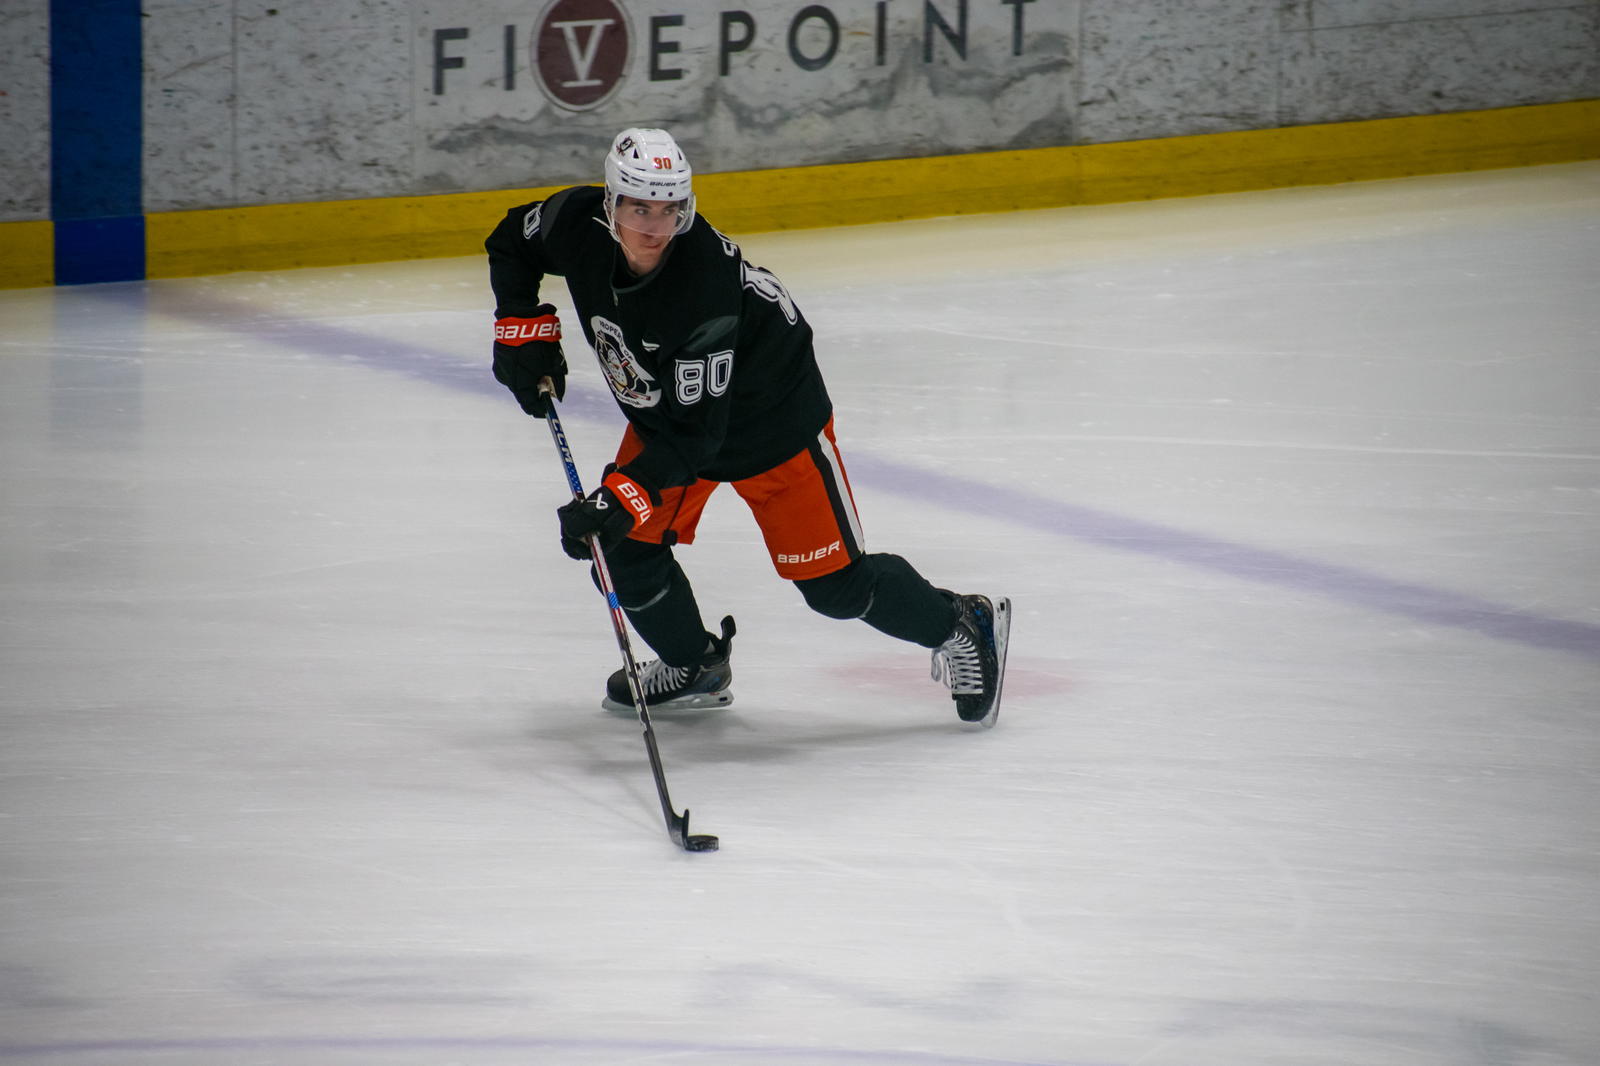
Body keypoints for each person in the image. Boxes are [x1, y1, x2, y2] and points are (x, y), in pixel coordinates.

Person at [485, 127, 1009, 725]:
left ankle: (961, 623)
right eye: (639, 208)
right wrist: (519, 325)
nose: (655, 228)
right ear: (610, 203)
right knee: (625, 548)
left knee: (834, 589)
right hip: (673, 417)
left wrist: (618, 498)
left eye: (670, 210)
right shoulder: (576, 222)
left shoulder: (699, 284)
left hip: (771, 425)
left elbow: (696, 438)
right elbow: (511, 240)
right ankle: (693, 665)